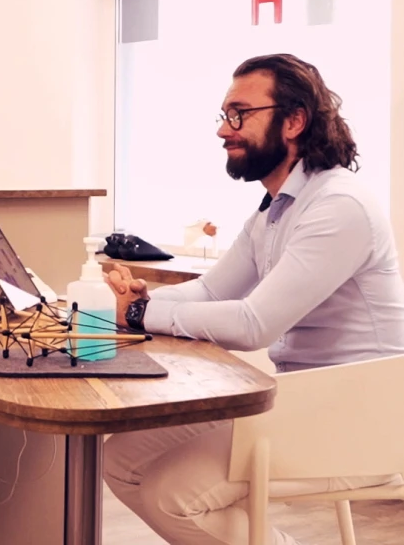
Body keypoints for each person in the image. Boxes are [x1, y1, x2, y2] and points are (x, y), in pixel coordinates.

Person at [104, 53, 404, 545]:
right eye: (225, 115)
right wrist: (141, 299)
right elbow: (210, 290)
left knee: (170, 493)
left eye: (240, 114)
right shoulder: (276, 208)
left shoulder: (339, 206)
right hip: (300, 401)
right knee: (121, 458)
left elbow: (253, 325)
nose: (224, 130)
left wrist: (139, 315)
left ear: (294, 121)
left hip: (359, 419)